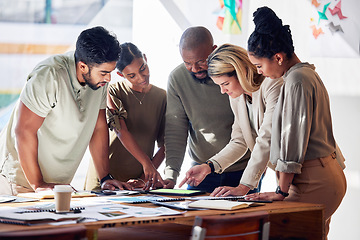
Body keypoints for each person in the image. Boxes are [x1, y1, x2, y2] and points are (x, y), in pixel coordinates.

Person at [244, 6, 346, 237]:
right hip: (322, 173)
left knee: (278, 232)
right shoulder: (306, 74)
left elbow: (292, 138)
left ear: (278, 57)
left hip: (314, 180)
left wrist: (280, 191)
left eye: (260, 66)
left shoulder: (297, 80)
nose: (260, 72)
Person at [0, 26, 132, 195]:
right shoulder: (49, 76)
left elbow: (98, 128)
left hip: (56, 185)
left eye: (110, 72)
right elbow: (24, 131)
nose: (108, 78)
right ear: (83, 66)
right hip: (20, 181)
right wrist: (38, 183)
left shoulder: (98, 82)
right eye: (104, 73)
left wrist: (105, 178)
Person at [179, 44, 283, 196]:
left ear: (241, 73)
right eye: (219, 85)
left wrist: (243, 186)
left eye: (225, 84)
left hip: (307, 169)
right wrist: (209, 166)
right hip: (283, 173)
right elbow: (239, 141)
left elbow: (266, 138)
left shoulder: (272, 85)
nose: (223, 91)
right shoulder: (237, 97)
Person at [164, 26, 256, 193]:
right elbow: (175, 130)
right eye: (187, 63)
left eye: (200, 61)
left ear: (213, 50)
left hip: (244, 168)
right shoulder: (177, 79)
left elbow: (256, 138)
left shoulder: (234, 81)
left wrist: (250, 181)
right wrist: (171, 175)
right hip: (203, 169)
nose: (194, 68)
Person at [85, 42, 166, 191]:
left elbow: (165, 144)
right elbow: (121, 130)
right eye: (132, 75)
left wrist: (145, 176)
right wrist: (147, 163)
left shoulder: (162, 97)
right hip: (106, 176)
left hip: (139, 179)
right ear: (121, 75)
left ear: (146, 59)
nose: (142, 77)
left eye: (143, 68)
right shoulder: (112, 91)